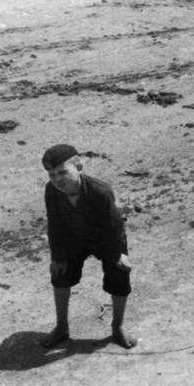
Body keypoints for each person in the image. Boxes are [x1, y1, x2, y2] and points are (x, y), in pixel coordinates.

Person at [39, 142, 135, 350]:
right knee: (60, 273)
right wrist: (57, 257)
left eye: (63, 172)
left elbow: (114, 227)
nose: (57, 179)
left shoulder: (100, 191)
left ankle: (117, 327)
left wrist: (116, 256)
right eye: (52, 175)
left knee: (119, 274)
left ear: (79, 168)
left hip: (105, 239)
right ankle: (61, 327)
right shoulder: (52, 191)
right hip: (74, 238)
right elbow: (55, 224)